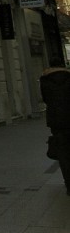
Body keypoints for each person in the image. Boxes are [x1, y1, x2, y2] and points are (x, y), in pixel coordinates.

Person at [40, 60, 70, 195]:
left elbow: (45, 99)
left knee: (63, 153)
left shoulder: (45, 80)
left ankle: (68, 183)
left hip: (56, 121)